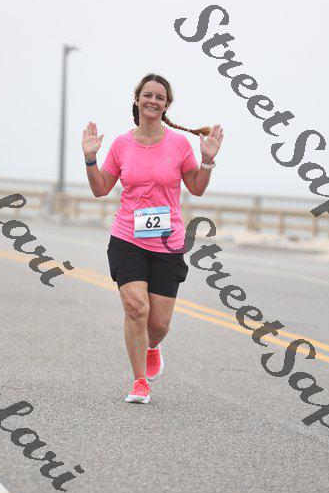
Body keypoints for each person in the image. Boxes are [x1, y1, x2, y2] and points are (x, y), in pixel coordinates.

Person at [81, 73, 223, 404]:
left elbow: (196, 188)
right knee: (136, 307)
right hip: (127, 237)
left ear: (166, 105)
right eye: (147, 95)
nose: (153, 101)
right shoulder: (121, 144)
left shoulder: (178, 145)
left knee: (158, 323)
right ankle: (139, 381)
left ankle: (153, 346)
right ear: (137, 99)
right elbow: (100, 189)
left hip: (167, 242)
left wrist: (207, 161)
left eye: (160, 97)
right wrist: (90, 158)